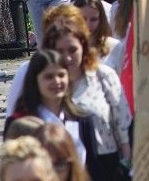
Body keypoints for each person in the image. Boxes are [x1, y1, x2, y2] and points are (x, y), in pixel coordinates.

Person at [42, 24, 132, 177]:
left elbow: (123, 123)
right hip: (60, 168)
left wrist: (128, 162)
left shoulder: (103, 75)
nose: (67, 58)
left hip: (105, 162)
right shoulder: (43, 81)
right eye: (60, 52)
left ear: (83, 47)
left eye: (72, 50)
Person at [6, 49, 97, 173]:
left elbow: (93, 166)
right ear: (35, 80)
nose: (57, 81)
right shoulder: (19, 122)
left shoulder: (82, 118)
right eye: (49, 77)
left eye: (61, 75)